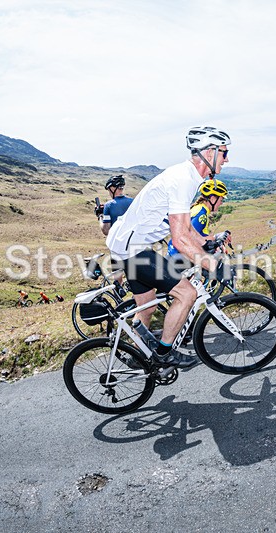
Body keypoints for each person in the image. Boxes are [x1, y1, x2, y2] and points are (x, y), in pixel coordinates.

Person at [106, 126, 232, 368]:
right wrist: (212, 264)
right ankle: (164, 353)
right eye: (224, 153)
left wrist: (206, 241)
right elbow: (179, 240)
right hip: (132, 251)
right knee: (187, 293)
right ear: (210, 152)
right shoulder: (183, 180)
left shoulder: (189, 177)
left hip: (129, 245)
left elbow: (185, 228)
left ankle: (138, 355)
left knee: (148, 304)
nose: (227, 159)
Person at [166, 179, 230, 257]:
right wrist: (215, 240)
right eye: (221, 200)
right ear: (213, 199)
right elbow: (191, 238)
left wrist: (215, 238)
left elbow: (200, 237)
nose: (221, 203)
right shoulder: (201, 215)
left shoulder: (199, 208)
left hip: (177, 254)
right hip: (180, 258)